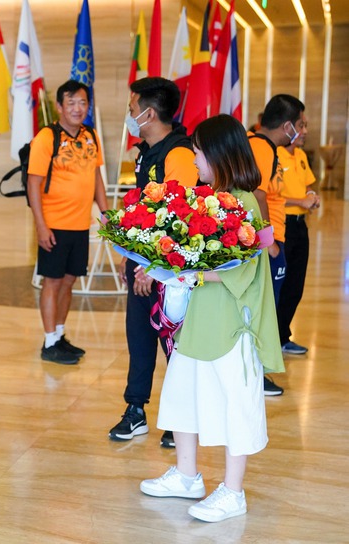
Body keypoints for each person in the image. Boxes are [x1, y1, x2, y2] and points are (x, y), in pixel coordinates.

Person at [140, 114, 285, 523]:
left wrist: (193, 272)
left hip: (230, 320)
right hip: (200, 317)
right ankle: (187, 476)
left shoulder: (245, 200)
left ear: (219, 153)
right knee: (183, 391)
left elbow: (241, 268)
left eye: (200, 151)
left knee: (235, 401)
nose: (195, 159)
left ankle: (233, 492)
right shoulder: (209, 197)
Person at [108, 77, 198, 446]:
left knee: (173, 343)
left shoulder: (179, 154)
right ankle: (135, 410)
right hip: (142, 263)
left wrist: (152, 267)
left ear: (149, 113)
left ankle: (180, 420)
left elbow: (182, 217)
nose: (130, 116)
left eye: (132, 110)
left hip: (168, 270)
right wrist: (130, 258)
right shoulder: (146, 150)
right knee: (139, 338)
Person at [26, 79, 108, 365]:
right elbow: (33, 184)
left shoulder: (90, 136)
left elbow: (96, 177)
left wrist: (106, 211)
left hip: (80, 224)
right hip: (54, 223)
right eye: (70, 102)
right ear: (59, 106)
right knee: (53, 281)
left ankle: (60, 335)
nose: (77, 108)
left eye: (82, 102)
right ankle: (49, 342)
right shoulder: (47, 138)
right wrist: (41, 225)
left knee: (70, 280)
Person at [247, 94, 306, 395]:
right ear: (286, 126)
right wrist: (269, 242)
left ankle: (257, 372)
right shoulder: (262, 147)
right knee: (262, 311)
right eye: (300, 125)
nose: (303, 131)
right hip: (268, 242)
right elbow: (256, 194)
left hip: (276, 237)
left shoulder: (265, 146)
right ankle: (256, 375)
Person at [277, 124, 320, 355]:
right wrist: (298, 202)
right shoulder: (276, 154)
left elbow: (308, 185)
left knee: (295, 285)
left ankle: (283, 336)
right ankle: (272, 338)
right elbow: (270, 196)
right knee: (280, 284)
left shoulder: (301, 156)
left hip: (300, 226)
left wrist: (311, 196)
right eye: (301, 125)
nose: (305, 131)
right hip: (283, 225)